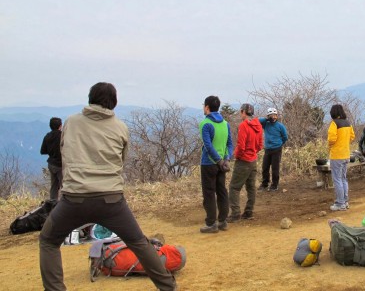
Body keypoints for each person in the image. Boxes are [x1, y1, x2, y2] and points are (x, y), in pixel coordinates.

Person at [39, 82, 176, 291]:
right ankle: (168, 286)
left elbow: (65, 154)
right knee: (138, 242)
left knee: (49, 241)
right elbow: (121, 160)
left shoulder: (71, 122)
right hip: (111, 200)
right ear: (114, 102)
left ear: (90, 98)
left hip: (74, 198)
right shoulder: (120, 127)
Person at [199, 95, 233, 233]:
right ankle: (223, 221)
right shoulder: (225, 123)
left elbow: (208, 145)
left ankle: (211, 223)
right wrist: (226, 159)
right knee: (222, 191)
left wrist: (217, 160)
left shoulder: (205, 123)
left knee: (209, 193)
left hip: (209, 163)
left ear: (207, 107)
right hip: (222, 164)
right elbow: (230, 144)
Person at [227, 103, 263, 222]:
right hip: (253, 160)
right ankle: (248, 212)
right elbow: (260, 145)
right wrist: (253, 152)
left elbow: (241, 145)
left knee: (234, 188)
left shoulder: (244, 125)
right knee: (251, 188)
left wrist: (237, 155)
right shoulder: (258, 125)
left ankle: (235, 214)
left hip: (243, 161)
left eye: (240, 111)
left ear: (243, 112)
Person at [327, 104, 355, 211]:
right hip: (346, 154)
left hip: (337, 155)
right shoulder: (347, 123)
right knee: (343, 178)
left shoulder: (334, 123)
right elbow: (352, 136)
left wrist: (331, 145)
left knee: (337, 179)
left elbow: (332, 138)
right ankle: (345, 201)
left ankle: (340, 203)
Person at [258, 107, 288, 191]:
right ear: (268, 116)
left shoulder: (280, 126)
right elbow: (258, 121)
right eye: (271, 115)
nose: (273, 117)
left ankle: (275, 185)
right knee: (265, 167)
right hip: (267, 149)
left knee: (275, 168)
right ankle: (264, 184)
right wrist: (266, 119)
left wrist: (279, 144)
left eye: (275, 115)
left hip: (277, 149)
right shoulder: (266, 124)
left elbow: (285, 137)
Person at [40, 117, 63, 200]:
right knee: (64, 187)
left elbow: (42, 151)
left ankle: (53, 203)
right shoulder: (62, 136)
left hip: (51, 164)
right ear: (60, 126)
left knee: (54, 186)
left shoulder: (47, 136)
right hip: (61, 165)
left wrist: (51, 151)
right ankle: (65, 206)